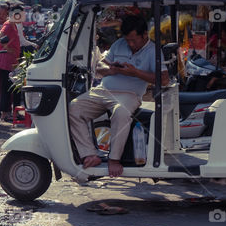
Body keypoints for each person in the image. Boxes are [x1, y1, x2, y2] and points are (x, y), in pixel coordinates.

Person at [69, 15, 169, 178]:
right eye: (127, 40)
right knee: (73, 107)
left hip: (129, 95)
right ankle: (89, 154)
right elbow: (100, 68)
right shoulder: (118, 44)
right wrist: (111, 70)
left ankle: (114, 159)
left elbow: (164, 80)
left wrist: (135, 72)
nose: (130, 44)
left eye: (133, 40)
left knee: (121, 112)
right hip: (103, 90)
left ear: (144, 34)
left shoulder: (154, 51)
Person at [0, 4, 24, 122]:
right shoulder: (8, 24)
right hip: (6, 60)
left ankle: (12, 112)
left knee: (12, 88)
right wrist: (7, 48)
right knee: (6, 88)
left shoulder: (14, 25)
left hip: (12, 61)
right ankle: (4, 113)